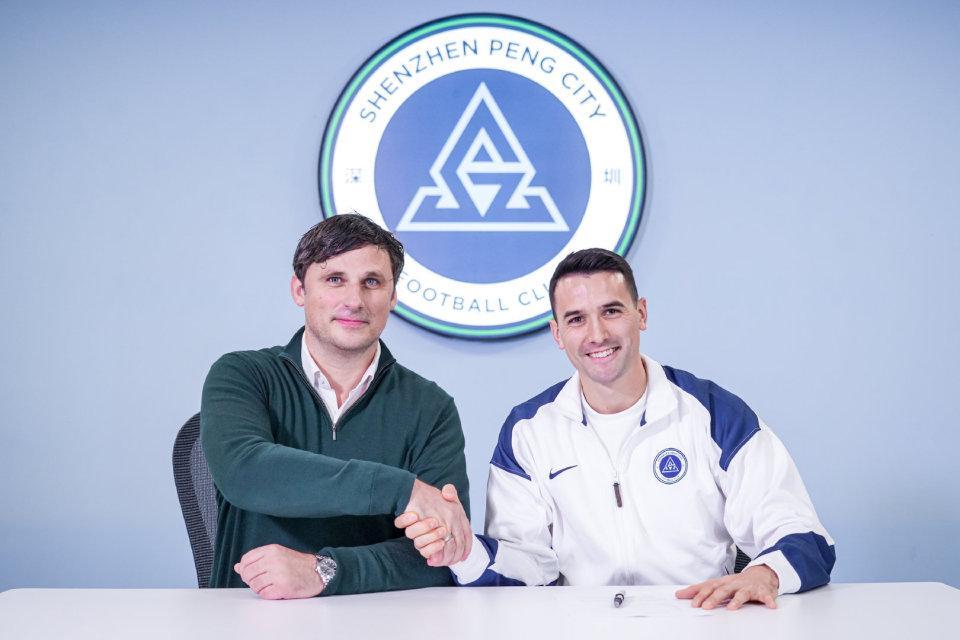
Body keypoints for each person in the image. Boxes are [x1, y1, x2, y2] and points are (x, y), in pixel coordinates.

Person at [396, 248, 835, 610]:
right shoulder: (528, 430)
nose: (597, 334)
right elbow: (526, 566)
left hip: (699, 620)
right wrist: (466, 552)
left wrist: (766, 572)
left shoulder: (715, 413)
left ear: (641, 313)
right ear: (557, 333)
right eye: (576, 319)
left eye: (611, 311)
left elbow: (804, 535)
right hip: (579, 629)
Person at [200, 214, 472, 599]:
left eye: (372, 282)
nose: (354, 301)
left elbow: (443, 551)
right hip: (253, 613)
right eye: (334, 279)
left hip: (382, 620)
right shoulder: (243, 375)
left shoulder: (430, 407)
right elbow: (244, 470)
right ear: (299, 290)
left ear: (393, 296)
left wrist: (325, 571)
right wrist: (402, 489)